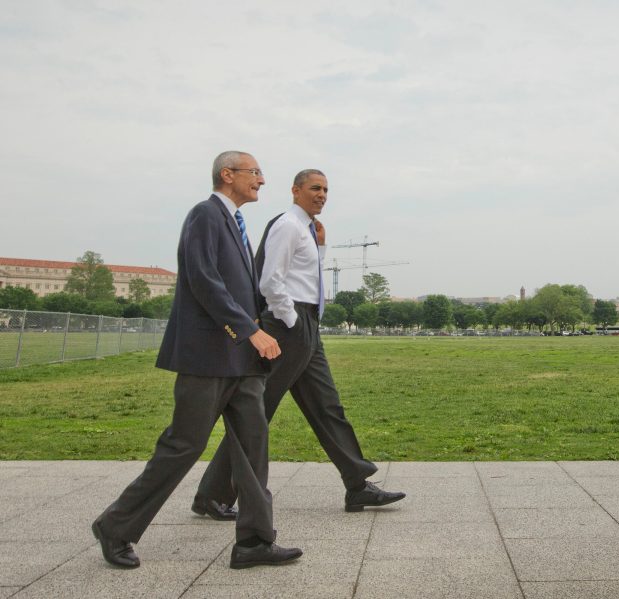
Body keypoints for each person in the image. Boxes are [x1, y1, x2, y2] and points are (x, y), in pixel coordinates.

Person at [91, 151, 302, 570]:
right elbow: (203, 280)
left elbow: (241, 289)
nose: (262, 180)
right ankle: (116, 527)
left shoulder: (237, 223)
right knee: (183, 446)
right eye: (255, 172)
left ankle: (255, 542)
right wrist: (249, 330)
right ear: (228, 175)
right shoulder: (205, 215)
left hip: (241, 364)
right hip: (208, 359)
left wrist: (262, 329)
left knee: (253, 449)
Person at [195, 169, 405, 514]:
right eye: (314, 188)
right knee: (256, 412)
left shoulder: (308, 230)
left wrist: (321, 248)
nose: (322, 194)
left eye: (326, 189)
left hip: (307, 326)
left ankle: (357, 484)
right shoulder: (288, 226)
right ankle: (213, 495)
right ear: (295, 190)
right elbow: (270, 281)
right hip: (289, 325)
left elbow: (305, 275)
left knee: (327, 407)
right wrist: (291, 321)